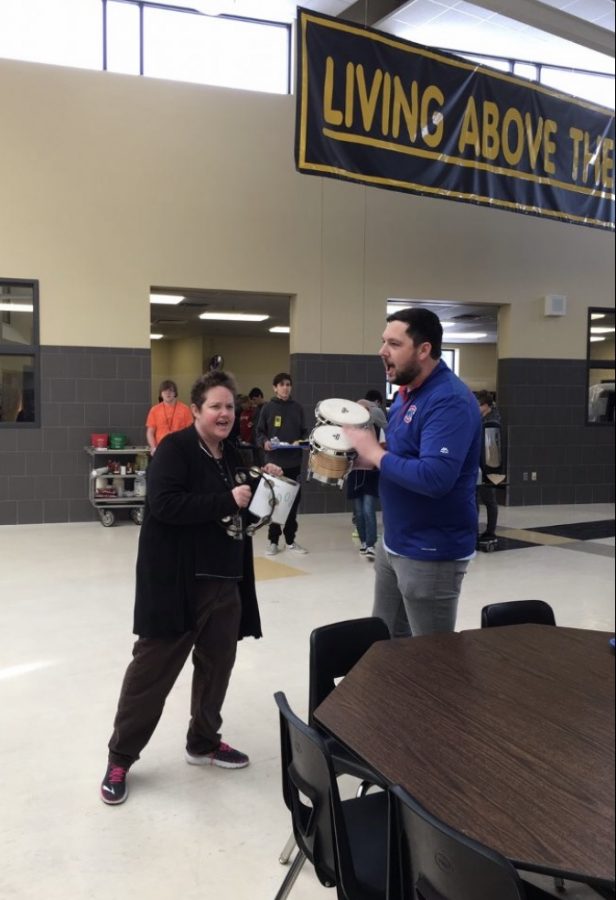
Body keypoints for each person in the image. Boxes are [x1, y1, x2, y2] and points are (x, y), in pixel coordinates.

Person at [100, 370, 283, 805]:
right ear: (196, 410)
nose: (225, 413)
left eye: (230, 406)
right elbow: (163, 505)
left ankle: (202, 741)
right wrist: (227, 500)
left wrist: (264, 482)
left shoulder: (232, 453)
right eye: (216, 406)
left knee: (217, 665)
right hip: (178, 583)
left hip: (224, 581)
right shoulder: (175, 451)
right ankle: (119, 757)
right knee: (151, 673)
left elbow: (244, 506)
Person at [344, 308, 481, 638]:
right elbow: (405, 456)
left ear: (424, 350)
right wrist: (370, 456)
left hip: (430, 551)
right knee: (387, 642)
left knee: (430, 661)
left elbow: (435, 478)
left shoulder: (448, 400)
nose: (382, 351)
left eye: (394, 343)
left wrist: (375, 452)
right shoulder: (407, 394)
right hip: (395, 542)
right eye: (383, 342)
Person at [255, 372, 309, 556]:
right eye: (282, 384)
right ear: (275, 388)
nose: (285, 387)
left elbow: (304, 433)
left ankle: (291, 541)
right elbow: (259, 433)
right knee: (275, 503)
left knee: (293, 503)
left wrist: (301, 442)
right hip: (274, 463)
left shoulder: (298, 408)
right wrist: (265, 442)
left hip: (293, 462)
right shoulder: (268, 408)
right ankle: (273, 541)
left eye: (288, 384)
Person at [347, 397, 384, 558]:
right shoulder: (351, 431)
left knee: (369, 509)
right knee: (359, 511)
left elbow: (383, 448)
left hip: (371, 473)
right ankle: (363, 542)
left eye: (366, 410)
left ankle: (371, 544)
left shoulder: (377, 428)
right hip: (355, 473)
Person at [476, 389, 502, 543]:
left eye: (478, 405)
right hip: (479, 464)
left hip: (490, 466)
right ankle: (475, 530)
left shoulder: (493, 421)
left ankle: (490, 531)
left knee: (489, 500)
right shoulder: (481, 418)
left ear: (486, 405)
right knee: (475, 499)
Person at [145, 379, 193, 454]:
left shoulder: (185, 409)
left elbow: (191, 432)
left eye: (170, 391)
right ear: (161, 394)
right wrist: (153, 447)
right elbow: (150, 432)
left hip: (181, 449)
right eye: (165, 391)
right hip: (161, 449)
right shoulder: (154, 410)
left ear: (175, 393)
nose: (168, 393)